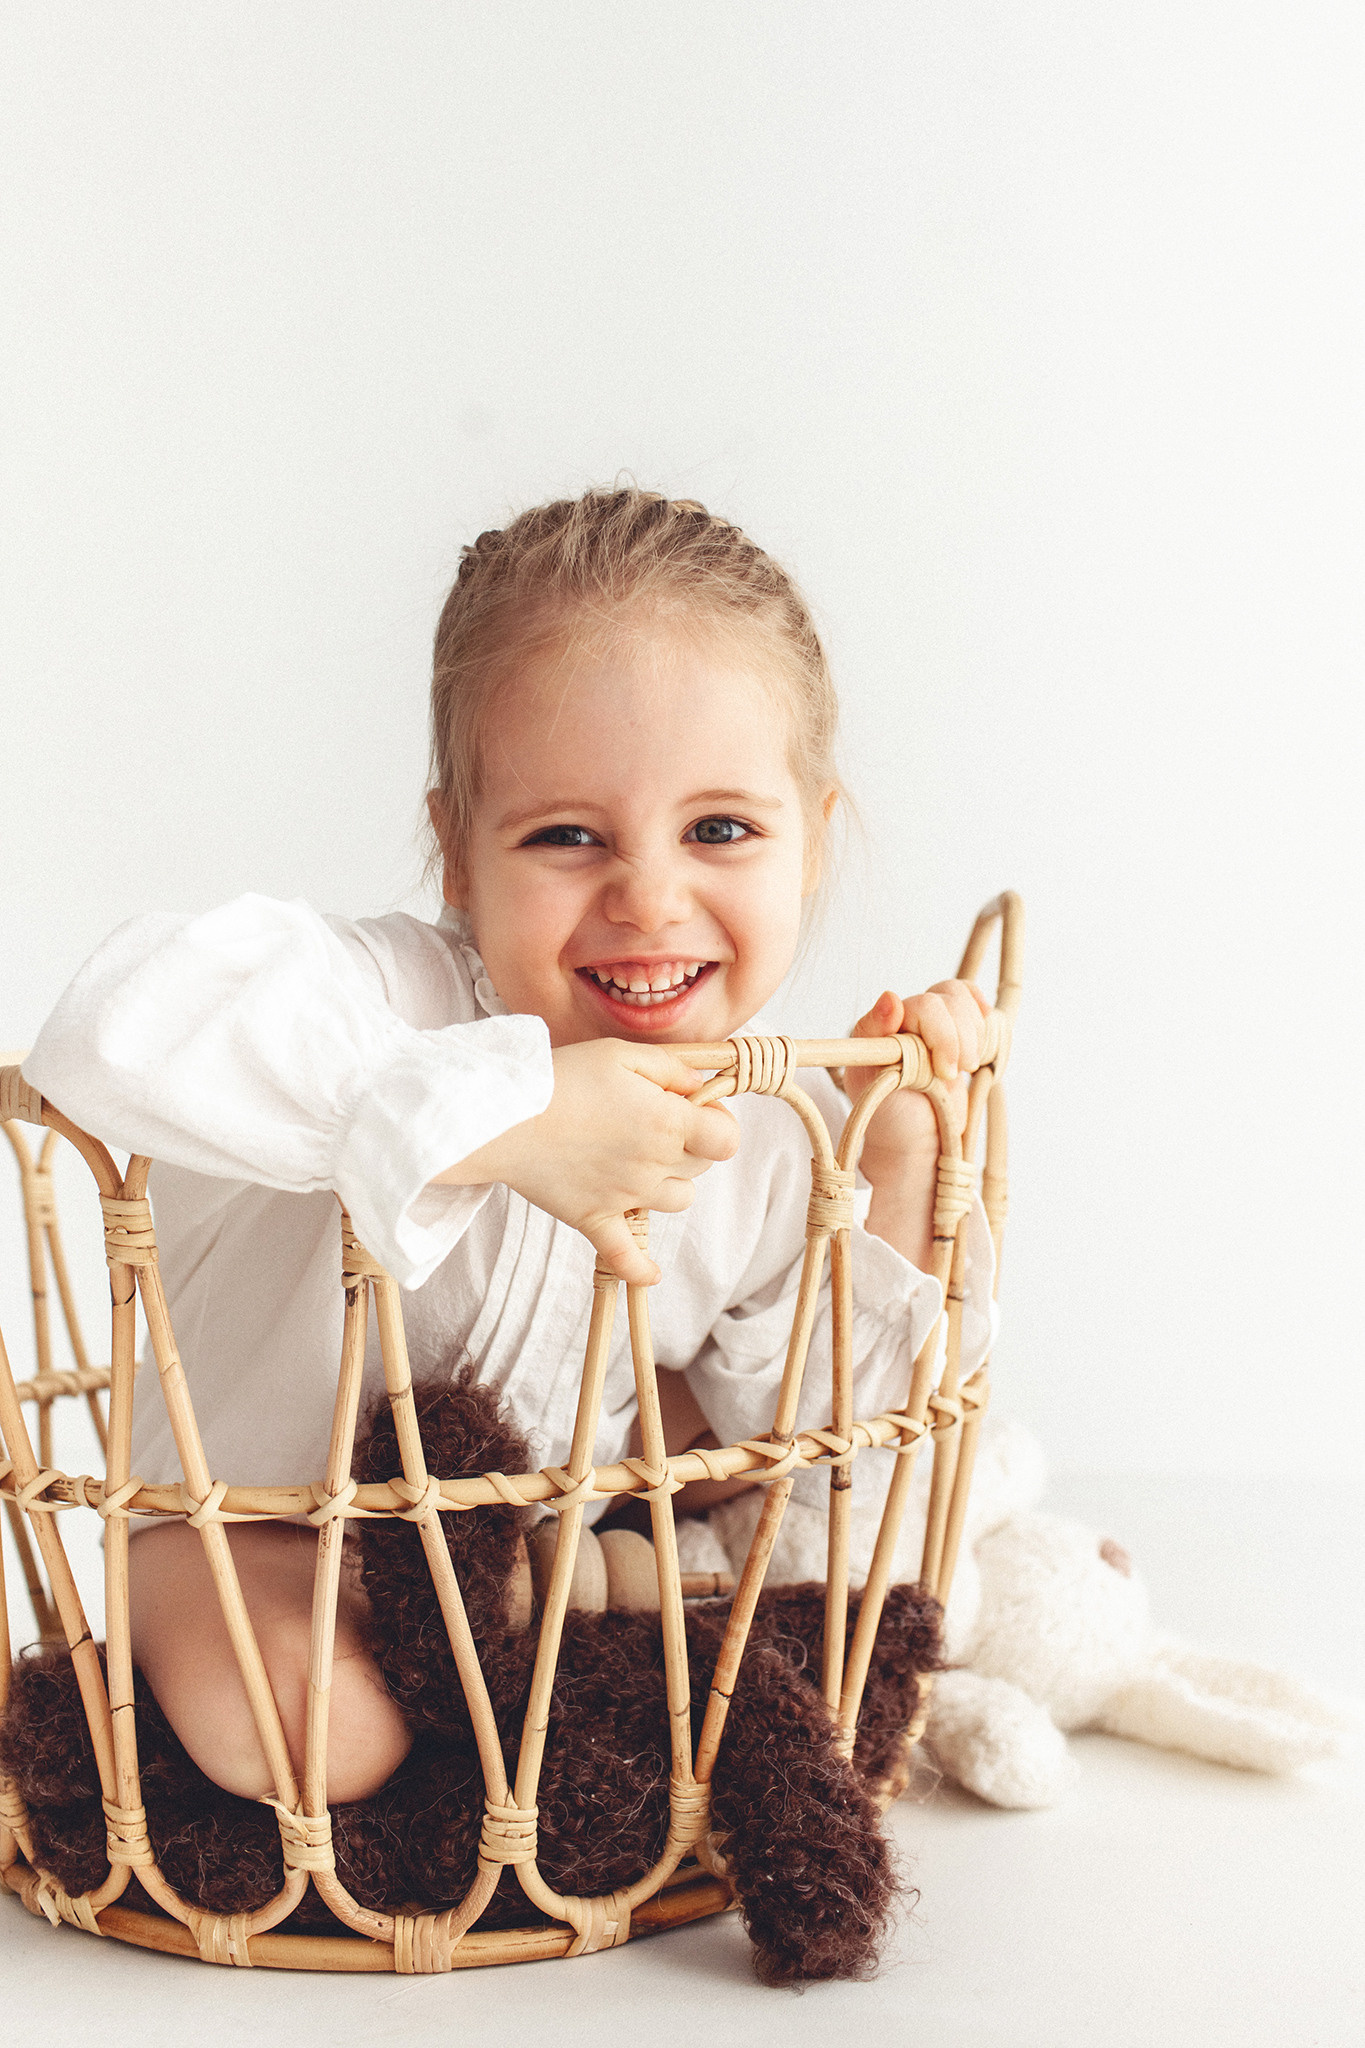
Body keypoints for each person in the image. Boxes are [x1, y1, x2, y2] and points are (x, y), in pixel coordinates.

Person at [26, 487, 995, 1809]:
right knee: (322, 1743)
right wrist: (496, 1117)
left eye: (720, 829)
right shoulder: (378, 1001)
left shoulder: (771, 1131)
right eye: (563, 836)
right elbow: (114, 1026)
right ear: (459, 857)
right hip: (252, 1522)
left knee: (781, 1609)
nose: (647, 896)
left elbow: (802, 1444)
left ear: (812, 841)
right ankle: (152, 1624)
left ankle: (552, 1621)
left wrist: (886, 1166)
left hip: (524, 1543)